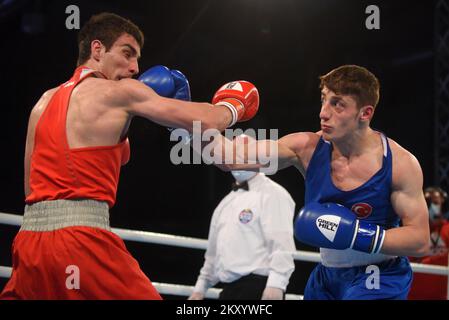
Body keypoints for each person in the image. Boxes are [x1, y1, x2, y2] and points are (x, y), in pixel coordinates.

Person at [0, 12, 259, 300]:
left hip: (29, 243)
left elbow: (32, 186)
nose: (135, 67)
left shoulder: (42, 102)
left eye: (137, 58)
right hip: (80, 241)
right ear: (97, 50)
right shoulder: (120, 92)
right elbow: (207, 121)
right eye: (127, 53)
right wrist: (234, 104)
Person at [211, 65, 430, 299]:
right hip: (327, 275)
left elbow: (419, 241)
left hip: (379, 275)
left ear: (365, 113)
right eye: (324, 100)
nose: (323, 113)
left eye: (337, 104)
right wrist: (186, 125)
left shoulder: (399, 163)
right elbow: (231, 159)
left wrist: (357, 234)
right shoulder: (306, 148)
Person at [188, 170, 296, 300]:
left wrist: (276, 284)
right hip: (229, 289)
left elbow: (282, 243)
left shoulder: (274, 193)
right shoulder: (225, 203)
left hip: (260, 286)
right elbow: (213, 254)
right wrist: (199, 289)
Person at [408, 186, 449, 300]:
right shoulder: (412, 230)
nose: (432, 207)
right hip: (414, 295)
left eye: (435, 202)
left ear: (443, 206)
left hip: (441, 295)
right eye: (428, 202)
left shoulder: (448, 230)